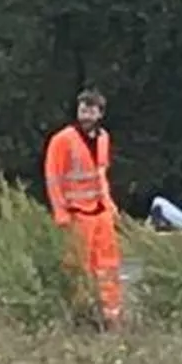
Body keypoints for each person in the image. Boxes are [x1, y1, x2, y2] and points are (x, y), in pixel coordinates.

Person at [43, 89, 122, 329]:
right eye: (82, 109)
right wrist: (61, 212)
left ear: (100, 113)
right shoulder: (63, 140)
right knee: (78, 266)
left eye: (91, 110)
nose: (86, 114)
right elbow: (53, 177)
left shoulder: (103, 138)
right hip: (77, 214)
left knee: (108, 265)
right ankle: (81, 313)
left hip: (100, 213)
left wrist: (109, 204)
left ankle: (111, 314)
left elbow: (101, 174)